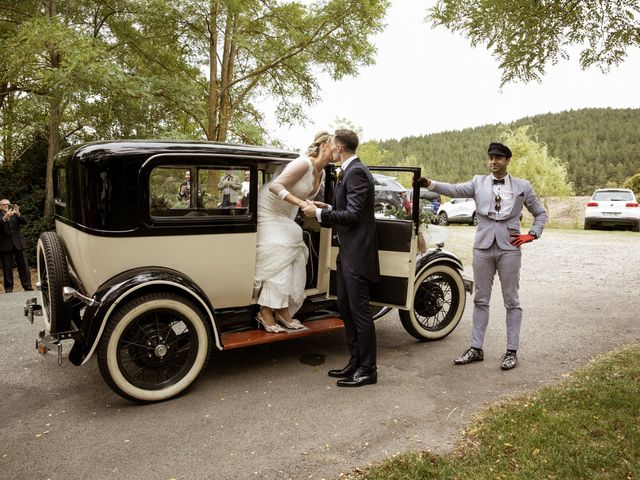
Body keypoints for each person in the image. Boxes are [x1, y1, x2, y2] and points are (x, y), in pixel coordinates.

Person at [417, 142, 547, 370]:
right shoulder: (478, 182)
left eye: (498, 158)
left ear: (507, 161)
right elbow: (454, 189)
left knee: (511, 300)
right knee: (480, 299)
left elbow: (540, 214)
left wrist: (532, 235)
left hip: (509, 248)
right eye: (490, 158)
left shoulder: (522, 186)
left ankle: (511, 351)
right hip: (483, 247)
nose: (493, 161)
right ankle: (476, 348)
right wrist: (430, 183)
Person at [302, 129, 380, 387]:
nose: (330, 148)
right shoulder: (349, 170)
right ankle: (355, 362)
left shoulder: (356, 171)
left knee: (359, 312)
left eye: (332, 145)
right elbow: (347, 210)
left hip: (357, 254)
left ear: (339, 147)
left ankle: (368, 369)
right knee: (345, 308)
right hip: (347, 252)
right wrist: (329, 208)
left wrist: (320, 216)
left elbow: (355, 215)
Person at [253, 131, 333, 332]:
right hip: (268, 211)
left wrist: (313, 204)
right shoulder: (303, 163)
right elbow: (275, 186)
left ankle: (280, 309)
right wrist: (300, 203)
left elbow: (298, 192)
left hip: (286, 215)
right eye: (335, 145)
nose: (339, 149)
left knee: (293, 252)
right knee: (288, 243)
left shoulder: (322, 172)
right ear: (324, 146)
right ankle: (265, 310)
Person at [1, 199, 33, 293]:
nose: (6, 206)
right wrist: (4, 219)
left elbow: (25, 222)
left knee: (24, 265)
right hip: (5, 244)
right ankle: (8, 288)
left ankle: (27, 285)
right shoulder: (1, 216)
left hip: (18, 243)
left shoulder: (15, 213)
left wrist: (18, 214)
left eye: (7, 204)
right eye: (4, 205)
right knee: (7, 267)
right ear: (0, 206)